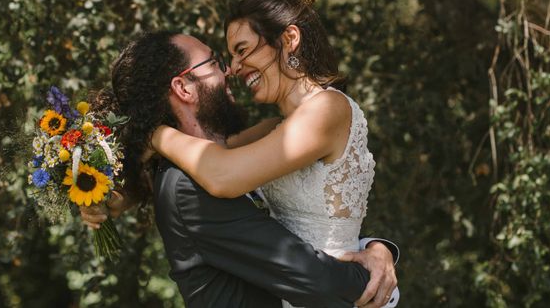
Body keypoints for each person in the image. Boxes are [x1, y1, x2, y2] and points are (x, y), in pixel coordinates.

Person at [83, 30, 398, 308]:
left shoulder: (232, 158)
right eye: (215, 62)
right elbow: (318, 282)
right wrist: (371, 273)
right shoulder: (187, 187)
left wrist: (375, 247)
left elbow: (305, 223)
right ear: (183, 88)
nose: (229, 71)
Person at [147, 0, 394, 308]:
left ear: (289, 39)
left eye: (243, 50)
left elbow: (222, 175)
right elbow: (204, 159)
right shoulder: (273, 130)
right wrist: (111, 194)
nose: (233, 68)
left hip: (342, 293)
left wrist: (153, 133)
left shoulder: (328, 109)